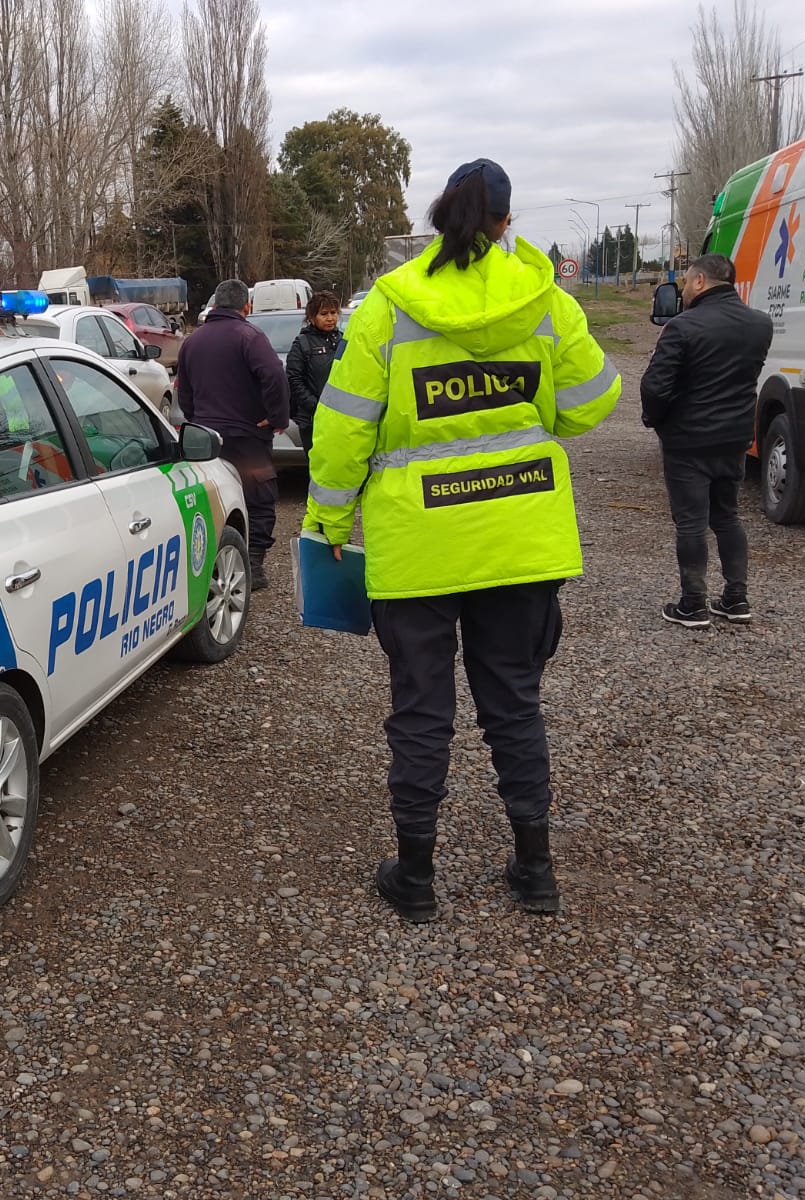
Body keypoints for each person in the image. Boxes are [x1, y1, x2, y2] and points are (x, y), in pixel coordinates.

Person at [303, 158, 620, 922]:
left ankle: (415, 879)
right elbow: (591, 405)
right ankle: (535, 870)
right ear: (505, 223)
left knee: (421, 710)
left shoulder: (386, 308)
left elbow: (342, 430)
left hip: (418, 546)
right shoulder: (546, 303)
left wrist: (328, 522)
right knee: (514, 703)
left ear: (439, 216)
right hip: (521, 540)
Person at [638, 254, 773, 628]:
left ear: (700, 281)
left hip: (688, 440)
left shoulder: (682, 328)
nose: (683, 287)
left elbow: (655, 385)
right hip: (735, 438)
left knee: (691, 522)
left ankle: (693, 604)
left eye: (686, 280)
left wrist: (655, 420)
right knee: (728, 516)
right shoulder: (760, 325)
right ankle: (736, 599)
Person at [176, 278, 291, 588]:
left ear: (214, 305)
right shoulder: (250, 336)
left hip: (206, 440)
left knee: (213, 498)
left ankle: (213, 559)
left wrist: (197, 419)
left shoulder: (192, 341)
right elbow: (274, 377)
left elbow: (182, 391)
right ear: (246, 306)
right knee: (259, 498)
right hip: (246, 437)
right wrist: (277, 417)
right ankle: (252, 563)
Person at [286, 291, 344, 455]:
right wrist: (316, 406)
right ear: (312, 317)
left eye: (333, 313)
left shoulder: (343, 340)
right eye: (324, 314)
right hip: (312, 420)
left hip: (341, 418)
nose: (330, 318)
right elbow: (293, 378)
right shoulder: (302, 343)